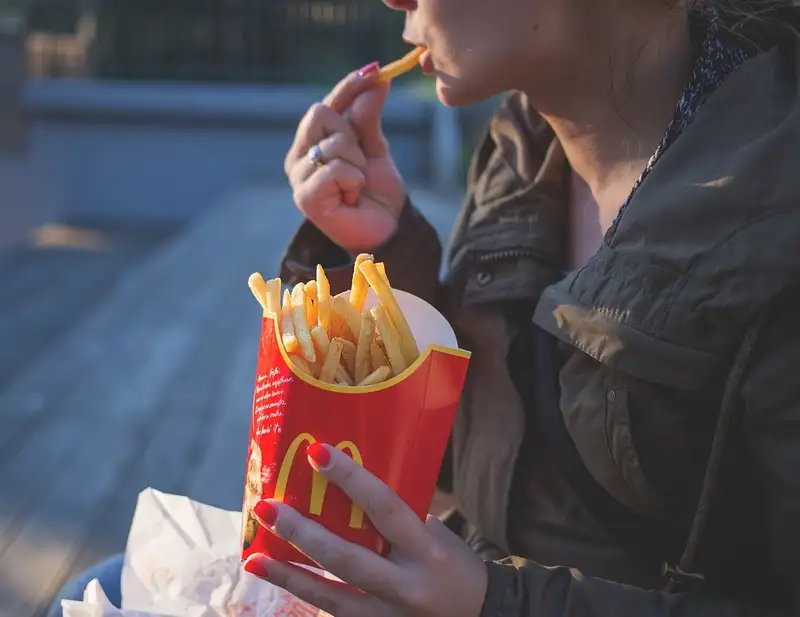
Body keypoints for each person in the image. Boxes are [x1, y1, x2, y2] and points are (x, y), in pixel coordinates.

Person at [48, 0, 800, 615]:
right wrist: (379, 252)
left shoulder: (775, 210)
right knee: (103, 586)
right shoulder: (522, 145)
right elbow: (481, 465)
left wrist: (485, 601)